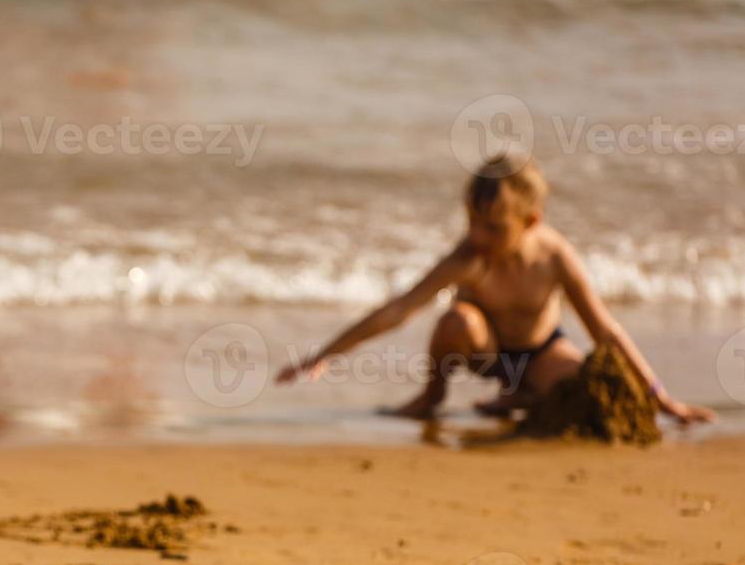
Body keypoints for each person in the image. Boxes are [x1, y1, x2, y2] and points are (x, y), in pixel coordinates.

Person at [276, 156, 714, 426]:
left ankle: (519, 396)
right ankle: (431, 399)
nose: (479, 235)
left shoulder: (555, 256)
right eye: (473, 221)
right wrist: (325, 355)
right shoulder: (469, 257)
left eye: (493, 226)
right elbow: (398, 310)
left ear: (531, 221)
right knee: (455, 321)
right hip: (484, 350)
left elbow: (605, 330)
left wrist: (662, 398)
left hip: (540, 352)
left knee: (585, 387)